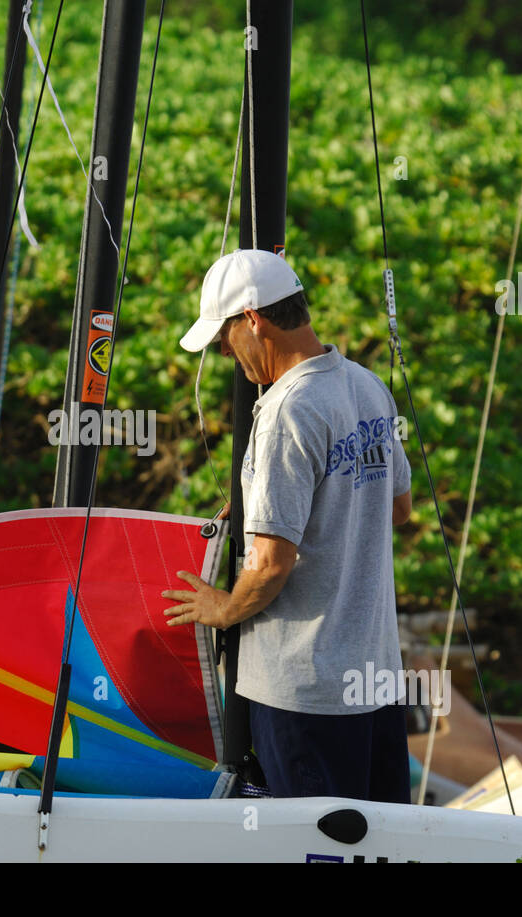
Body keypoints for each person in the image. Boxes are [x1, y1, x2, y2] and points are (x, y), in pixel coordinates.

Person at [161, 248, 413, 802]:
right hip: (375, 682)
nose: (225, 350)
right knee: (382, 847)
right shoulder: (369, 387)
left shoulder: (285, 412)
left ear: (253, 318)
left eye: (224, 335)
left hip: (303, 691)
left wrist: (223, 608)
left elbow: (272, 564)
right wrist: (272, 501)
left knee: (307, 847)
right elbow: (398, 508)